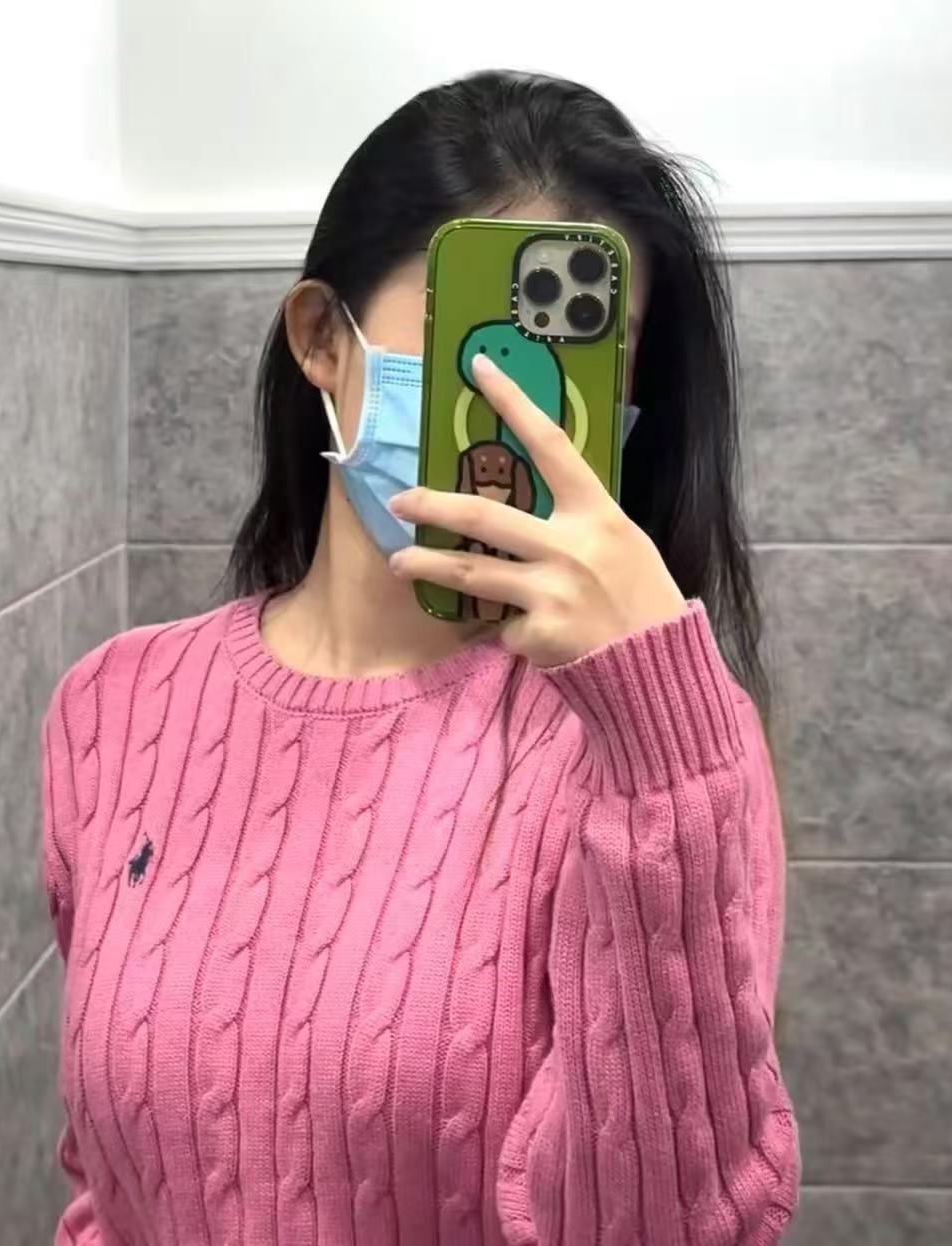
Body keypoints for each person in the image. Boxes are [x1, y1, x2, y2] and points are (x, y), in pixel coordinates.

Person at [41, 70, 800, 1246]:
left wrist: (657, 750)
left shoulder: (666, 761)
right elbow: (110, 1181)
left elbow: (672, 1225)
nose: (517, 396)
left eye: (588, 356)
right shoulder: (115, 707)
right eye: (466, 338)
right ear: (320, 339)